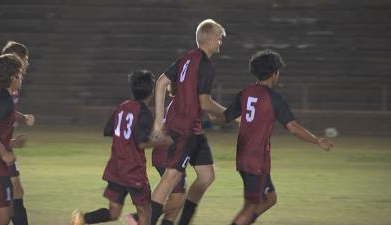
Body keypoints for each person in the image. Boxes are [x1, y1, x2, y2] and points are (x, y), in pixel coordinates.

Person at [208, 49, 334, 225]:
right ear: (274, 73)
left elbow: (225, 117)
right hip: (256, 159)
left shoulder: (246, 92)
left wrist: (211, 116)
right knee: (252, 205)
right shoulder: (274, 99)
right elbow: (293, 127)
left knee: (270, 198)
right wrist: (317, 140)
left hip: (245, 156)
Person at [149, 18, 227, 225]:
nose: (220, 43)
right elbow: (205, 101)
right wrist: (232, 114)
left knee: (206, 176)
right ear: (209, 39)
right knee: (171, 178)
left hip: (193, 128)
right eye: (219, 39)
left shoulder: (187, 58)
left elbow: (161, 83)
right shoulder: (205, 64)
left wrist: (159, 120)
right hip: (183, 128)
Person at [71, 70, 171, 225]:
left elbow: (109, 130)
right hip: (133, 170)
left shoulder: (122, 107)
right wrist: (162, 141)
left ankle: (82, 219)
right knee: (146, 211)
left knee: (113, 212)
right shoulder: (144, 112)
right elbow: (141, 142)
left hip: (116, 167)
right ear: (151, 91)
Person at [126, 83, 186, 225]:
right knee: (178, 198)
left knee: (177, 196)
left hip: (166, 153)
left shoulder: (177, 103)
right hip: (168, 154)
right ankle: (139, 217)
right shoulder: (181, 104)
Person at [0, 41, 35, 225]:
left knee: (15, 194)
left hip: (2, 147)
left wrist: (21, 117)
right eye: (25, 59)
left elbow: (5, 110)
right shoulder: (0, 89)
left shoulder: (12, 87)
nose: (27, 64)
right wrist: (6, 148)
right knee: (10, 200)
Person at [0, 54, 24, 225]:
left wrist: (11, 143)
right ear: (13, 77)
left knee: (7, 212)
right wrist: (4, 151)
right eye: (19, 75)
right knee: (4, 217)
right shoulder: (5, 100)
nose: (21, 79)